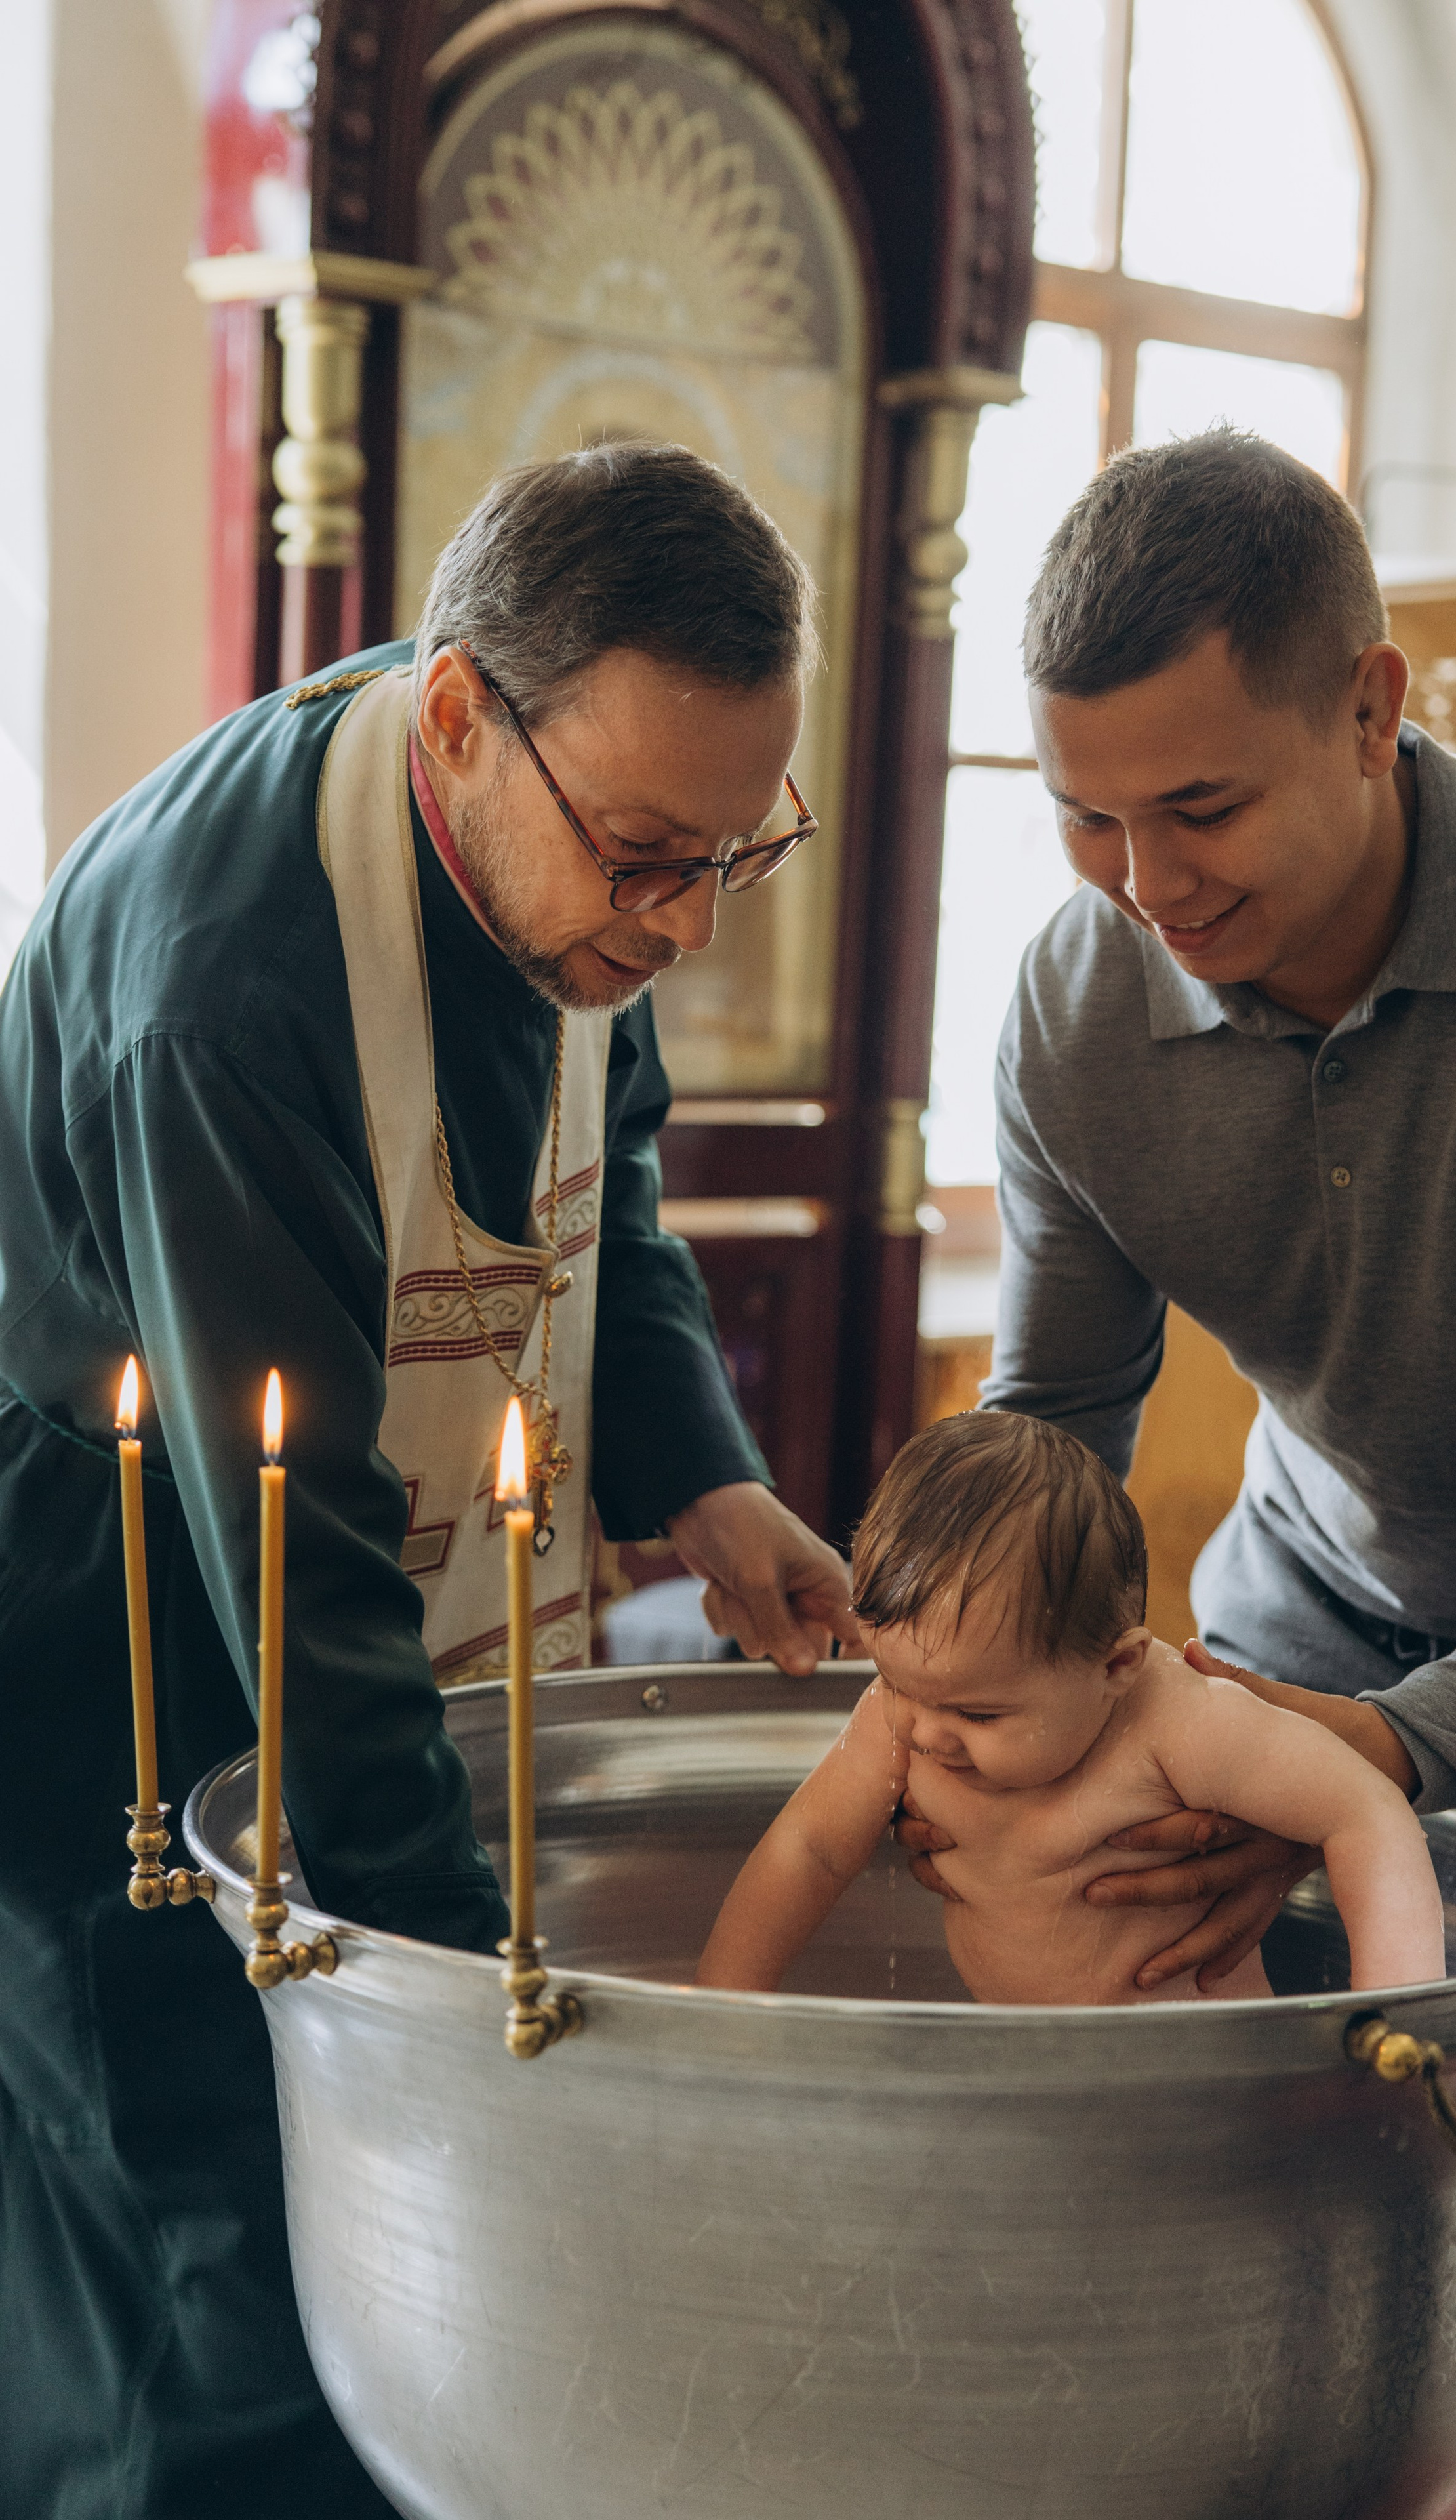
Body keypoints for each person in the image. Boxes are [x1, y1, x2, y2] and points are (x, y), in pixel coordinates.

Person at [0, 444, 859, 2519]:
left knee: (392, 2285)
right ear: (462, 713)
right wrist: (494, 2031)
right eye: (649, 855)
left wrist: (704, 1479)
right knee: (209, 2282)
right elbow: (286, 1566)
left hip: (373, 1636)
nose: (682, 924)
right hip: (116, 1654)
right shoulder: (224, 987)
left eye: (733, 856)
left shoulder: (568, 855)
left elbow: (609, 1190)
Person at [893, 428, 1456, 2518]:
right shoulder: (1076, 996)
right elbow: (1055, 1420)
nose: (1145, 885)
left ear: (1371, 706)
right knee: (1269, 2251)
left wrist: (1396, 1745)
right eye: (1084, 816)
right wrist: (965, 1671)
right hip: (1287, 1634)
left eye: (1202, 806)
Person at [699, 1411, 1444, 2002]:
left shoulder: (1182, 1724)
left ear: (1116, 1666)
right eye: (899, 1686)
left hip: (1194, 2083)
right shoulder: (907, 1715)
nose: (926, 1732)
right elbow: (812, 1847)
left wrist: (1392, 2016)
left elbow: (1365, 1810)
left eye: (980, 1715)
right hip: (1029, 2067)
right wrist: (721, 2005)